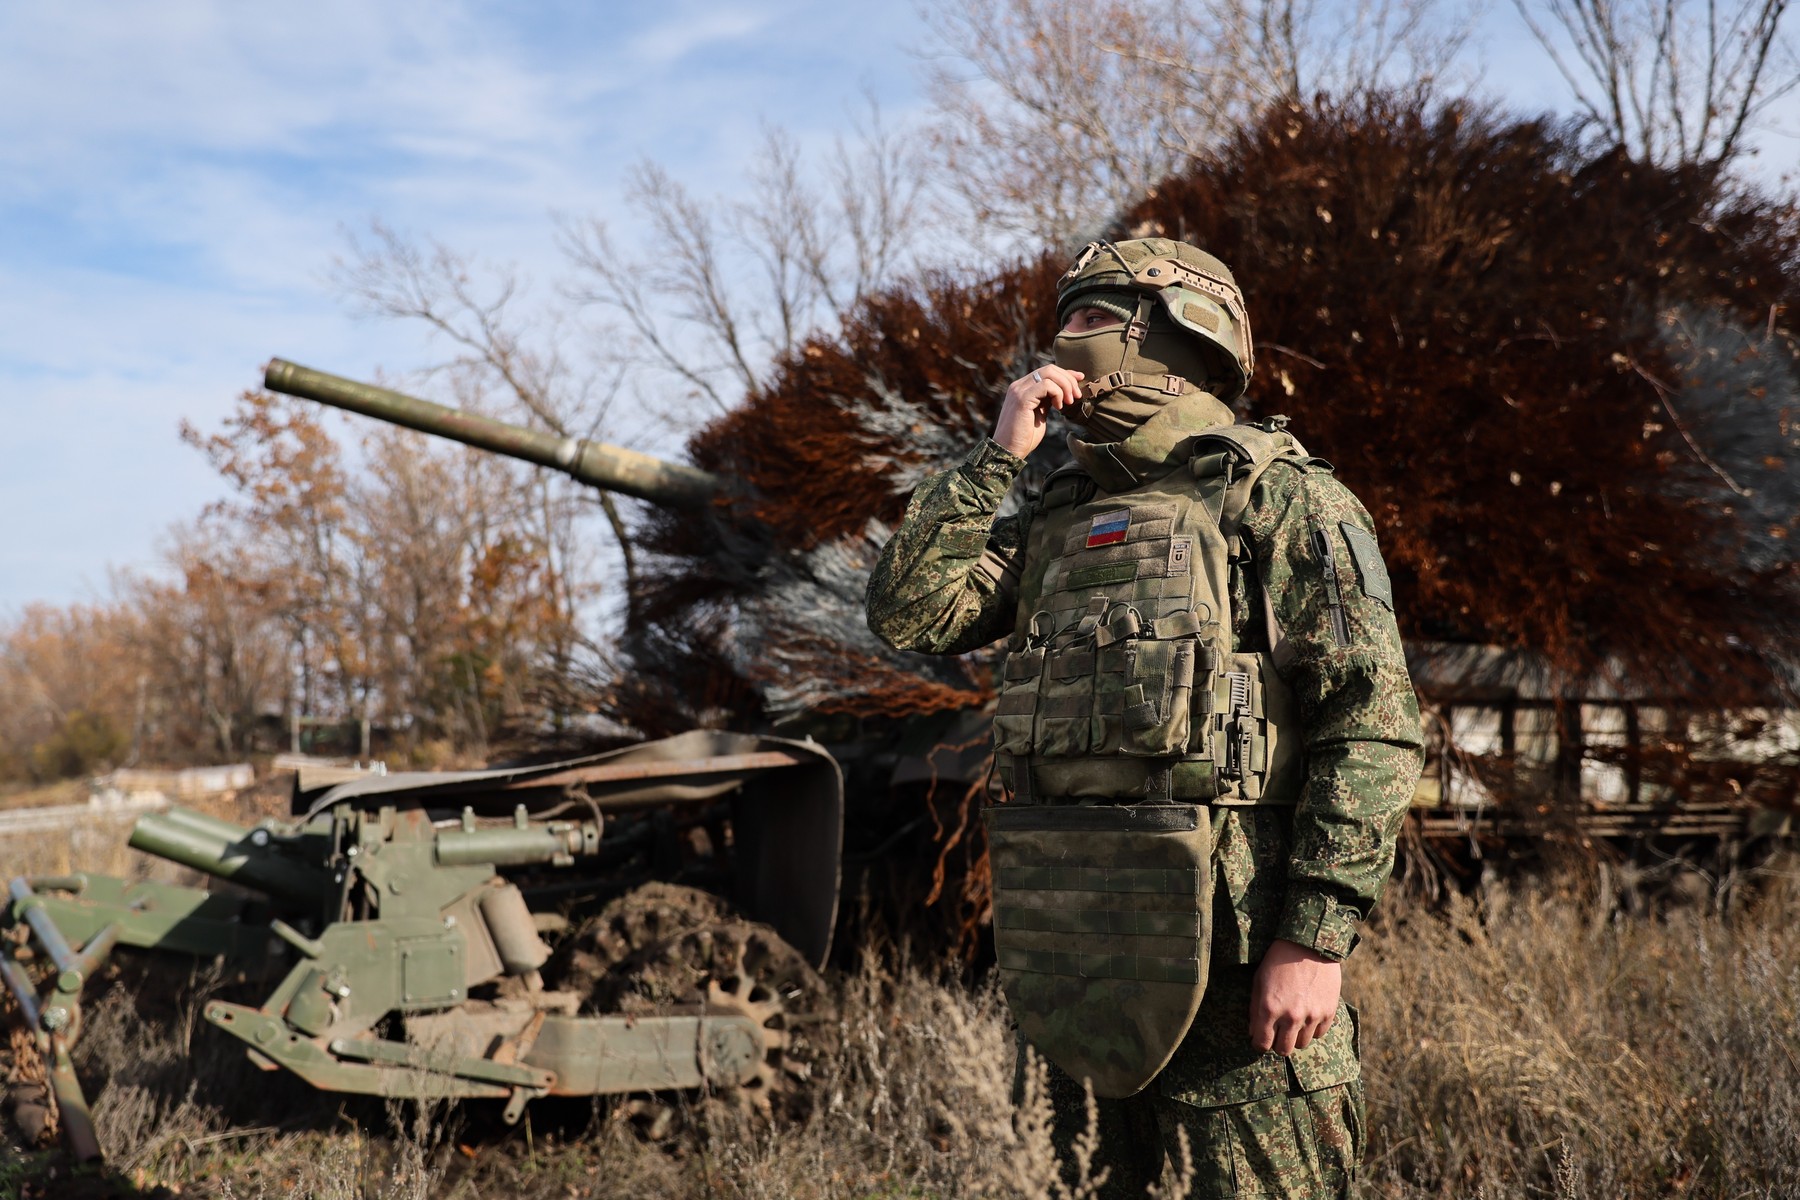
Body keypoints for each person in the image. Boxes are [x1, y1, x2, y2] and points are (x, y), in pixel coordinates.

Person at [865, 238, 1423, 1198]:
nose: (1057, 343)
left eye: (1086, 319)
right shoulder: (1059, 515)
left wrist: (1314, 941)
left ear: (1171, 336)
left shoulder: (1279, 497)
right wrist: (997, 460)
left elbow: (1370, 724)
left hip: (1237, 960)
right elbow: (910, 610)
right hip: (1084, 954)